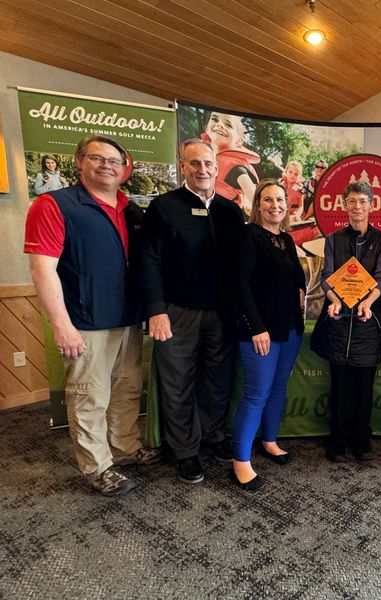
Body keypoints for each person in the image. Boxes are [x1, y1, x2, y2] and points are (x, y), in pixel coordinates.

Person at [24, 135, 159, 496]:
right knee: (90, 396)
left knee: (127, 388)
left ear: (124, 168)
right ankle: (97, 466)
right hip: (85, 322)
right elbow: (42, 269)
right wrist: (62, 325)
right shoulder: (54, 205)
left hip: (128, 318)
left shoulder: (130, 209)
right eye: (98, 158)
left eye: (114, 161)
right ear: (80, 161)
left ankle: (125, 447)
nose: (107, 166)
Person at [140, 138, 245, 484]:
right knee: (178, 381)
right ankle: (185, 450)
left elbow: (241, 265)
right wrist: (156, 310)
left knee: (218, 378)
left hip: (222, 312)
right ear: (182, 166)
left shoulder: (231, 211)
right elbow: (149, 260)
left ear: (216, 167)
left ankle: (212, 433)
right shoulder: (163, 207)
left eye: (208, 163)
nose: (203, 169)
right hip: (177, 312)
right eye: (195, 163)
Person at [231, 179, 306, 490]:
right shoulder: (249, 235)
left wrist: (300, 290)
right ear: (258, 205)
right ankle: (240, 461)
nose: (275, 205)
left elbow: (297, 277)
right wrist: (256, 327)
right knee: (256, 395)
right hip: (261, 331)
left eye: (280, 200)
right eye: (268, 200)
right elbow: (240, 284)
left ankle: (270, 441)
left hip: (290, 328)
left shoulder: (286, 239)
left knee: (277, 387)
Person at [310, 181, 381, 462]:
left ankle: (361, 440)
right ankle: (337, 440)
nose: (357, 206)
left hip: (368, 323)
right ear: (344, 205)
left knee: (364, 389)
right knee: (340, 386)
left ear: (371, 205)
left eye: (363, 201)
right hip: (339, 323)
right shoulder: (333, 239)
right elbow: (327, 277)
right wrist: (333, 299)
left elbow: (380, 277)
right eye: (352, 201)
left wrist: (367, 303)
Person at [201, 111, 260, 214]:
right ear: (207, 128)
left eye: (228, 124)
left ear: (239, 140)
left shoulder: (236, 169)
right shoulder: (201, 158)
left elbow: (258, 202)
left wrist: (249, 204)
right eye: (215, 119)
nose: (220, 124)